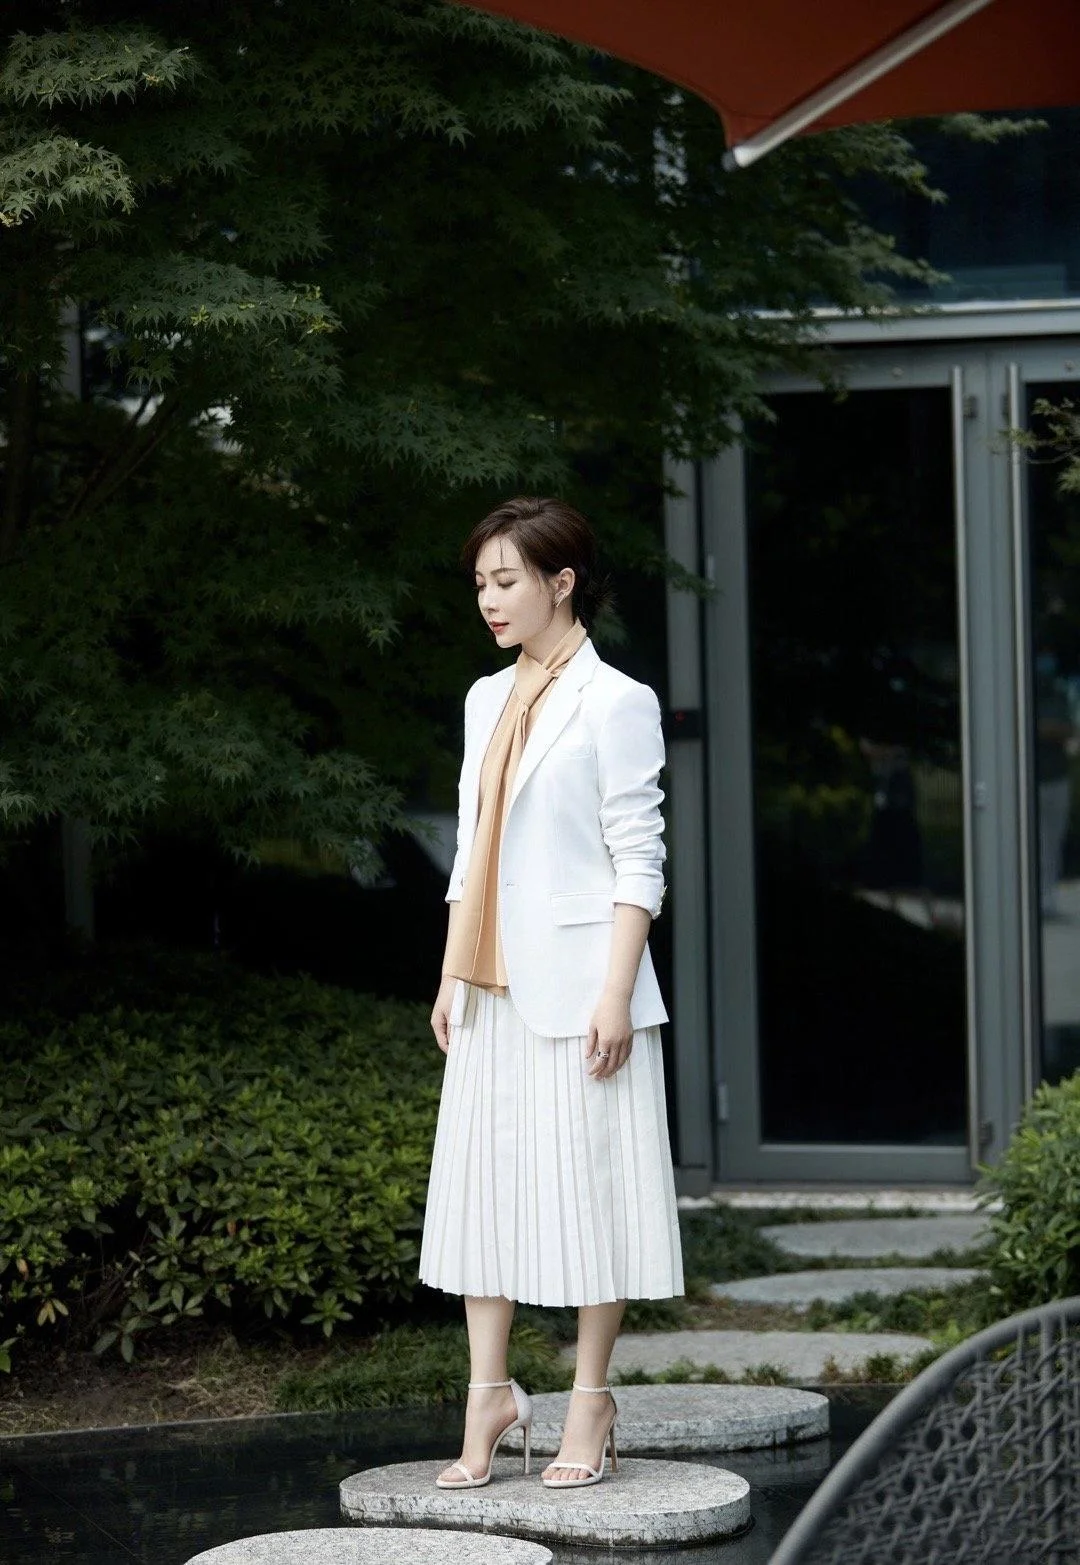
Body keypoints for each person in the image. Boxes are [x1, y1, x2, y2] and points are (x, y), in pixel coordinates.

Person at [419, 495, 684, 1491]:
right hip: (490, 983)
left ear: (559, 583)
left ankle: (589, 1398)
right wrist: (450, 972)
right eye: (481, 583)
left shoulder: (617, 701)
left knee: (593, 1199)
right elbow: (471, 848)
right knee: (483, 1195)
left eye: (506, 581)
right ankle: (487, 1390)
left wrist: (615, 991)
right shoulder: (487, 698)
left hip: (585, 987)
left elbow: (639, 861)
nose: (488, 599)